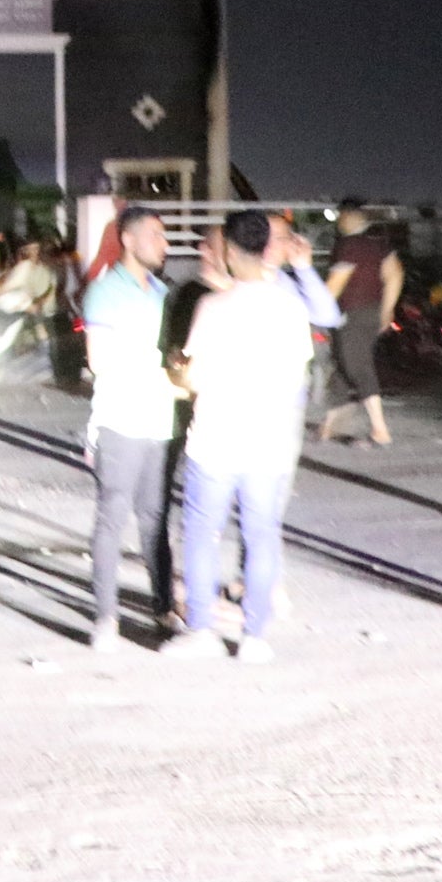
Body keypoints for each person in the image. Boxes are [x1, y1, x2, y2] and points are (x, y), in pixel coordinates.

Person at [168, 211, 316, 664]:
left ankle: (201, 630)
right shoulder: (292, 307)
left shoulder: (213, 307)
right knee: (262, 534)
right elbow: (297, 373)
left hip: (215, 438)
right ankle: (254, 636)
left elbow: (191, 379)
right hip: (267, 441)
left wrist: (178, 370)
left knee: (201, 534)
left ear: (230, 251)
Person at [81, 207, 179, 651]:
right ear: (128, 239)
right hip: (120, 419)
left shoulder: (162, 292)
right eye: (156, 235)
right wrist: (158, 368)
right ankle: (105, 618)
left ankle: (163, 606)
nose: (165, 244)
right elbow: (99, 360)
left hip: (159, 419)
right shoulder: (104, 291)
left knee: (155, 519)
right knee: (113, 515)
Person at [318, 202, 402, 446]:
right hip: (373, 312)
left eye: (340, 217)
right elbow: (395, 274)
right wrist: (387, 309)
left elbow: (336, 284)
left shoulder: (348, 246)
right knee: (344, 365)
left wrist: (316, 309)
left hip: (352, 313)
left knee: (357, 366)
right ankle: (330, 426)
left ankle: (379, 429)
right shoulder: (378, 245)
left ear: (348, 217)